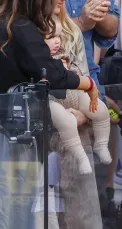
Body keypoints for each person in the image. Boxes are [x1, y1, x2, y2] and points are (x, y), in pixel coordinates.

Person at [0, 0, 97, 229]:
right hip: (8, 140)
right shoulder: (18, 27)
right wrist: (88, 84)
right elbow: (55, 77)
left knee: (1, 228)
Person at [46, 16, 111, 175]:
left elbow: (81, 72)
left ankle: (101, 144)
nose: (57, 41)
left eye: (58, 37)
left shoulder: (65, 51)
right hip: (51, 100)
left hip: (74, 92)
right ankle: (80, 156)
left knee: (100, 110)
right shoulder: (38, 58)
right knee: (66, 121)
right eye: (50, 37)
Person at [64, 0, 119, 86]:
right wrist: (80, 22)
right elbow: (43, 30)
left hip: (89, 76)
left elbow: (111, 31)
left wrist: (98, 12)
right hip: (51, 78)